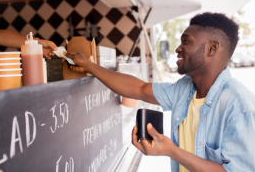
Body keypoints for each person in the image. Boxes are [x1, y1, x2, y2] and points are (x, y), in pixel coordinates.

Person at [65, 12, 255, 172]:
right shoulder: (185, 89)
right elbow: (139, 89)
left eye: (186, 41)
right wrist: (89, 66)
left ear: (212, 48)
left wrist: (172, 151)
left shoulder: (240, 106)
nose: (178, 49)